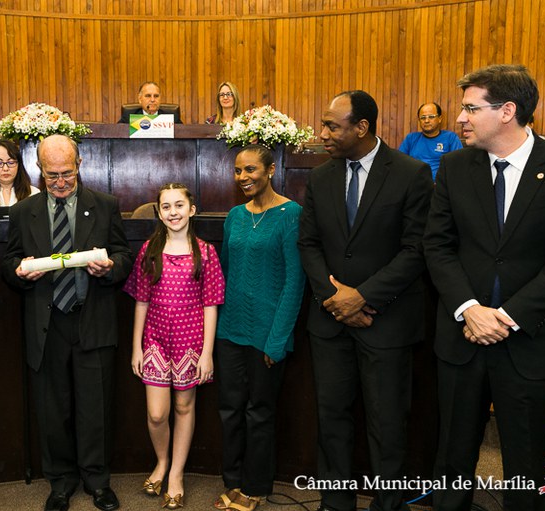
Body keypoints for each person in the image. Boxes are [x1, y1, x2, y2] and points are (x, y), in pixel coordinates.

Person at [423, 64, 545, 511]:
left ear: (507, 111)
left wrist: (506, 317)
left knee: (526, 465)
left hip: (532, 341)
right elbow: (438, 246)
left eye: (470, 108)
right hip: (463, 338)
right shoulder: (454, 167)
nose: (459, 118)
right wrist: (469, 308)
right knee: (452, 459)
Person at [298, 90, 433, 511]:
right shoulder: (320, 177)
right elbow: (308, 244)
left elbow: (417, 249)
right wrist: (335, 298)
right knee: (331, 418)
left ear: (362, 127)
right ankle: (335, 503)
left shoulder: (411, 173)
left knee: (387, 423)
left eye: (331, 126)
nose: (323, 134)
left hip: (387, 320)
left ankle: (388, 505)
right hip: (330, 321)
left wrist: (363, 297)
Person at [2, 134, 132, 511]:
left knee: (95, 408)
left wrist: (110, 267)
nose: (60, 182)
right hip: (47, 325)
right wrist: (20, 271)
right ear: (39, 170)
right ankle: (60, 483)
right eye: (52, 175)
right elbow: (9, 262)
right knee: (52, 409)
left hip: (91, 319)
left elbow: (123, 254)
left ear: (79, 165)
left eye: (67, 174)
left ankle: (98, 481)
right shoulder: (23, 212)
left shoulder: (104, 205)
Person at [214, 145, 304, 511]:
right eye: (238, 171)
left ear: (270, 170)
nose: (243, 177)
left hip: (268, 334)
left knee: (259, 412)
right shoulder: (235, 215)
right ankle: (232, 481)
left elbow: (295, 281)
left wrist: (278, 340)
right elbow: (225, 272)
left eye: (250, 169)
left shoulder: (291, 214)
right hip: (230, 330)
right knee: (229, 409)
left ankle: (255, 487)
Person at [124, 182, 224, 510]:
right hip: (155, 341)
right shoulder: (149, 250)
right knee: (157, 414)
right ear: (159, 212)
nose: (173, 212)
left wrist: (207, 353)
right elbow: (141, 301)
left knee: (184, 407)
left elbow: (211, 305)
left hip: (190, 343)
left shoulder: (205, 252)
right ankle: (162, 461)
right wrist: (137, 348)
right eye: (166, 207)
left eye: (179, 205)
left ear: (191, 210)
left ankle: (176, 474)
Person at [398, 102, 463, 180]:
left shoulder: (450, 137)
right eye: (423, 117)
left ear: (439, 119)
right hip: (414, 183)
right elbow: (399, 162)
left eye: (431, 117)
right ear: (419, 120)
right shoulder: (411, 138)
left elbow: (459, 164)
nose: (426, 120)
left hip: (439, 184)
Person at [118, 81, 183, 124]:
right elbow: (117, 134)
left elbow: (183, 135)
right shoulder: (129, 117)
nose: (152, 100)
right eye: (148, 96)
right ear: (140, 99)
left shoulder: (172, 117)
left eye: (156, 96)